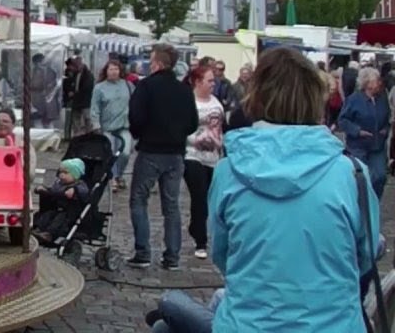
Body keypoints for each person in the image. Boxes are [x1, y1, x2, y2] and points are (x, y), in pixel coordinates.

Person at [151, 46, 383, 332]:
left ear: (257, 96)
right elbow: (366, 255)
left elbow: (224, 255)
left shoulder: (229, 172)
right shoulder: (351, 175)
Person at [127, 43, 197, 270]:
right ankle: (172, 257)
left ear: (156, 63)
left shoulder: (146, 86)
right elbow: (192, 123)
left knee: (139, 199)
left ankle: (143, 252)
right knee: (172, 205)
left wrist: (141, 134)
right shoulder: (184, 90)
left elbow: (135, 117)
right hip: (175, 153)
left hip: (151, 150)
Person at [183, 65, 224, 259]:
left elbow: (221, 127)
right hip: (192, 155)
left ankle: (197, 226)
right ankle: (201, 240)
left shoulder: (216, 102)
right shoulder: (189, 101)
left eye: (213, 81)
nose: (212, 84)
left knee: (209, 198)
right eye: (209, 81)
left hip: (213, 158)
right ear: (198, 82)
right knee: (199, 196)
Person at [338, 66, 391, 199]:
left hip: (377, 145)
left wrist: (386, 128)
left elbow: (387, 117)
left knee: (380, 176)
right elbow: (342, 120)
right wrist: (357, 131)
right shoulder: (354, 99)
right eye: (376, 80)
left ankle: (373, 201)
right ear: (367, 83)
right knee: (360, 177)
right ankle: (359, 203)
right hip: (358, 146)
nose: (379, 82)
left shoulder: (382, 98)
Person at [90, 59, 133, 191]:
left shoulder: (128, 85)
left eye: (116, 69)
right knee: (111, 153)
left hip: (124, 125)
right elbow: (95, 107)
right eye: (111, 69)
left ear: (120, 70)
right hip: (107, 126)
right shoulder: (99, 88)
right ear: (106, 71)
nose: (114, 72)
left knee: (125, 153)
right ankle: (113, 178)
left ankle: (119, 174)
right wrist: (95, 124)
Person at [31, 158, 89, 245]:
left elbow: (83, 192)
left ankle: (49, 234)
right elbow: (52, 191)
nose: (62, 175)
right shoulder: (59, 184)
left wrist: (74, 190)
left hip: (70, 212)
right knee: (47, 215)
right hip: (56, 208)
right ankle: (38, 229)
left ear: (75, 175)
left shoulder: (79, 185)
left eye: (65, 173)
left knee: (59, 219)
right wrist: (44, 189)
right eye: (60, 172)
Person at [62, 55, 94, 139]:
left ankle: (89, 136)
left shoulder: (88, 75)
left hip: (86, 101)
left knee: (87, 119)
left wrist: (75, 93)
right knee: (76, 119)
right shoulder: (75, 74)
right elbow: (71, 83)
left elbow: (87, 87)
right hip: (76, 101)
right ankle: (77, 136)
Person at [29, 54, 59, 128]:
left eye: (37, 62)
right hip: (38, 101)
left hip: (46, 101)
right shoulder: (35, 71)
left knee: (47, 123)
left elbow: (45, 85)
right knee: (38, 122)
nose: (36, 65)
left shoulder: (49, 72)